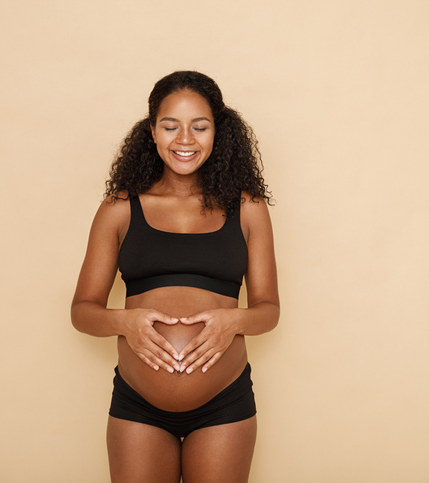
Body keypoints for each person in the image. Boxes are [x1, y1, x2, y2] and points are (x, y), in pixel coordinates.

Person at [71, 71, 279, 483]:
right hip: (138, 405)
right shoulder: (119, 208)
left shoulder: (248, 207)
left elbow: (269, 311)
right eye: (171, 126)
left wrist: (233, 321)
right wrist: (123, 322)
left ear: (218, 131)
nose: (185, 139)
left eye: (199, 126)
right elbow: (82, 311)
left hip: (224, 404)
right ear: (152, 131)